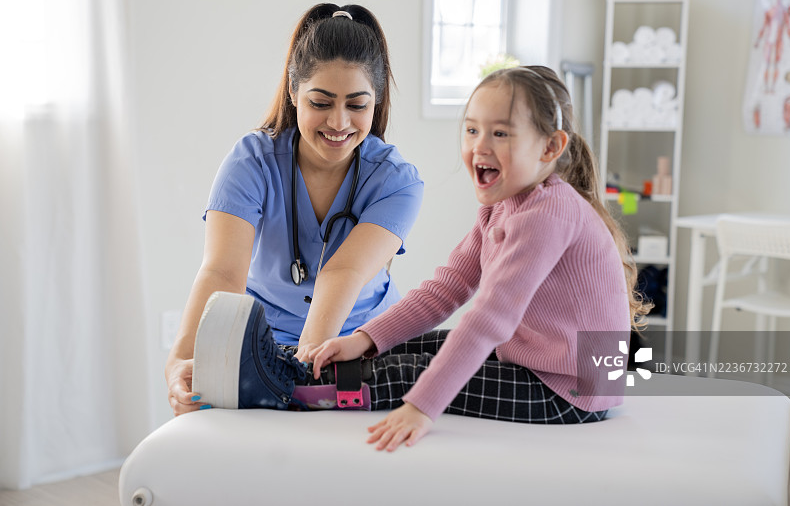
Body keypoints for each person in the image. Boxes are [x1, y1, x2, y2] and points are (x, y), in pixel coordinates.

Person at [190, 65, 650, 452]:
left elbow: (490, 317)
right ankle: (291, 367)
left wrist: (422, 406)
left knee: (410, 374)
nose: (479, 147)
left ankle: (285, 390)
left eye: (501, 134)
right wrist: (366, 340)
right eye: (471, 130)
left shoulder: (548, 213)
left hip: (573, 389)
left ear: (550, 148)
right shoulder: (504, 204)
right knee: (405, 348)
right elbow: (445, 290)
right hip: (543, 361)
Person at [165, 3, 424, 417]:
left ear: (376, 101)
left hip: (365, 342)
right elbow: (222, 272)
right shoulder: (251, 161)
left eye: (357, 105)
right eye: (321, 102)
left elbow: (344, 273)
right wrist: (180, 359)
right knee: (197, 414)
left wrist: (302, 373)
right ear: (293, 92)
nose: (339, 122)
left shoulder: (398, 182)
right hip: (265, 340)